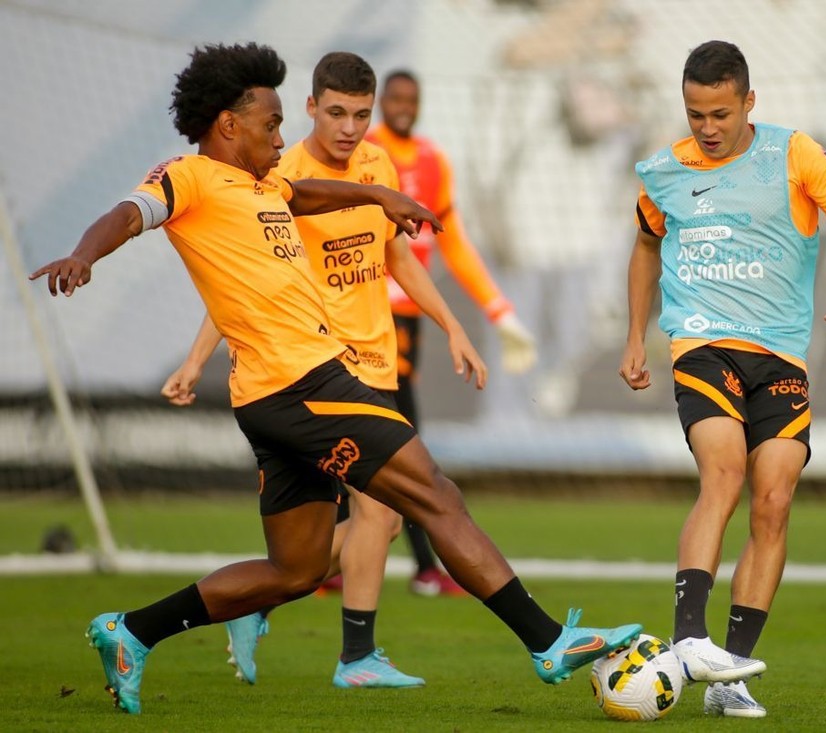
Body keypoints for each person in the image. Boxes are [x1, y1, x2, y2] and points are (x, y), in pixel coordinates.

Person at [31, 42, 642, 716]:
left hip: (274, 396)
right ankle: (551, 642)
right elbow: (127, 213)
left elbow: (309, 194)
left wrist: (379, 194)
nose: (281, 136)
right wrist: (83, 254)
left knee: (294, 571)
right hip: (305, 387)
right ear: (229, 125)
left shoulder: (265, 184)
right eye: (270, 124)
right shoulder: (191, 178)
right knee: (436, 493)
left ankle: (132, 631)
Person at [160, 51, 478, 689]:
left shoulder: (376, 168)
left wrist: (453, 326)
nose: (350, 128)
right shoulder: (278, 171)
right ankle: (355, 659)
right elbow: (246, 288)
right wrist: (196, 361)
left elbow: (397, 260)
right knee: (383, 515)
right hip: (315, 371)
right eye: (336, 112)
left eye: (361, 115)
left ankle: (262, 604)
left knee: (374, 524)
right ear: (310, 108)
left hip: (377, 366)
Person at [619, 41, 826, 718]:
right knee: (726, 471)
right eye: (694, 114)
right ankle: (688, 638)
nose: (706, 127)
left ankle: (729, 678)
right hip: (703, 344)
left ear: (749, 102)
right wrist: (634, 337)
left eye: (719, 112)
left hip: (780, 358)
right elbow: (646, 246)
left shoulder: (795, 153)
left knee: (774, 500)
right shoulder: (662, 171)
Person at [358, 69, 537, 596]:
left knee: (393, 440)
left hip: (409, 316)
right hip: (363, 314)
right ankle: (421, 567)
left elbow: (451, 241)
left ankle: (411, 566)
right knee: (398, 442)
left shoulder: (433, 161)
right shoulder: (363, 155)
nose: (403, 106)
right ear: (381, 102)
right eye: (394, 98)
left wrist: (500, 313)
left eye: (412, 98)